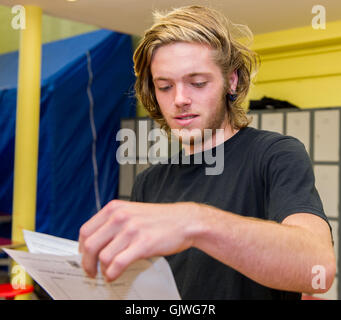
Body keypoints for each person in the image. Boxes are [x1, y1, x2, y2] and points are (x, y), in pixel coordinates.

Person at [78, 5, 336, 299]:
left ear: (232, 80)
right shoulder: (149, 183)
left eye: (197, 83)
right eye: (164, 86)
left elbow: (318, 268)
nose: (179, 99)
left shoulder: (275, 155)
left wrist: (195, 222)